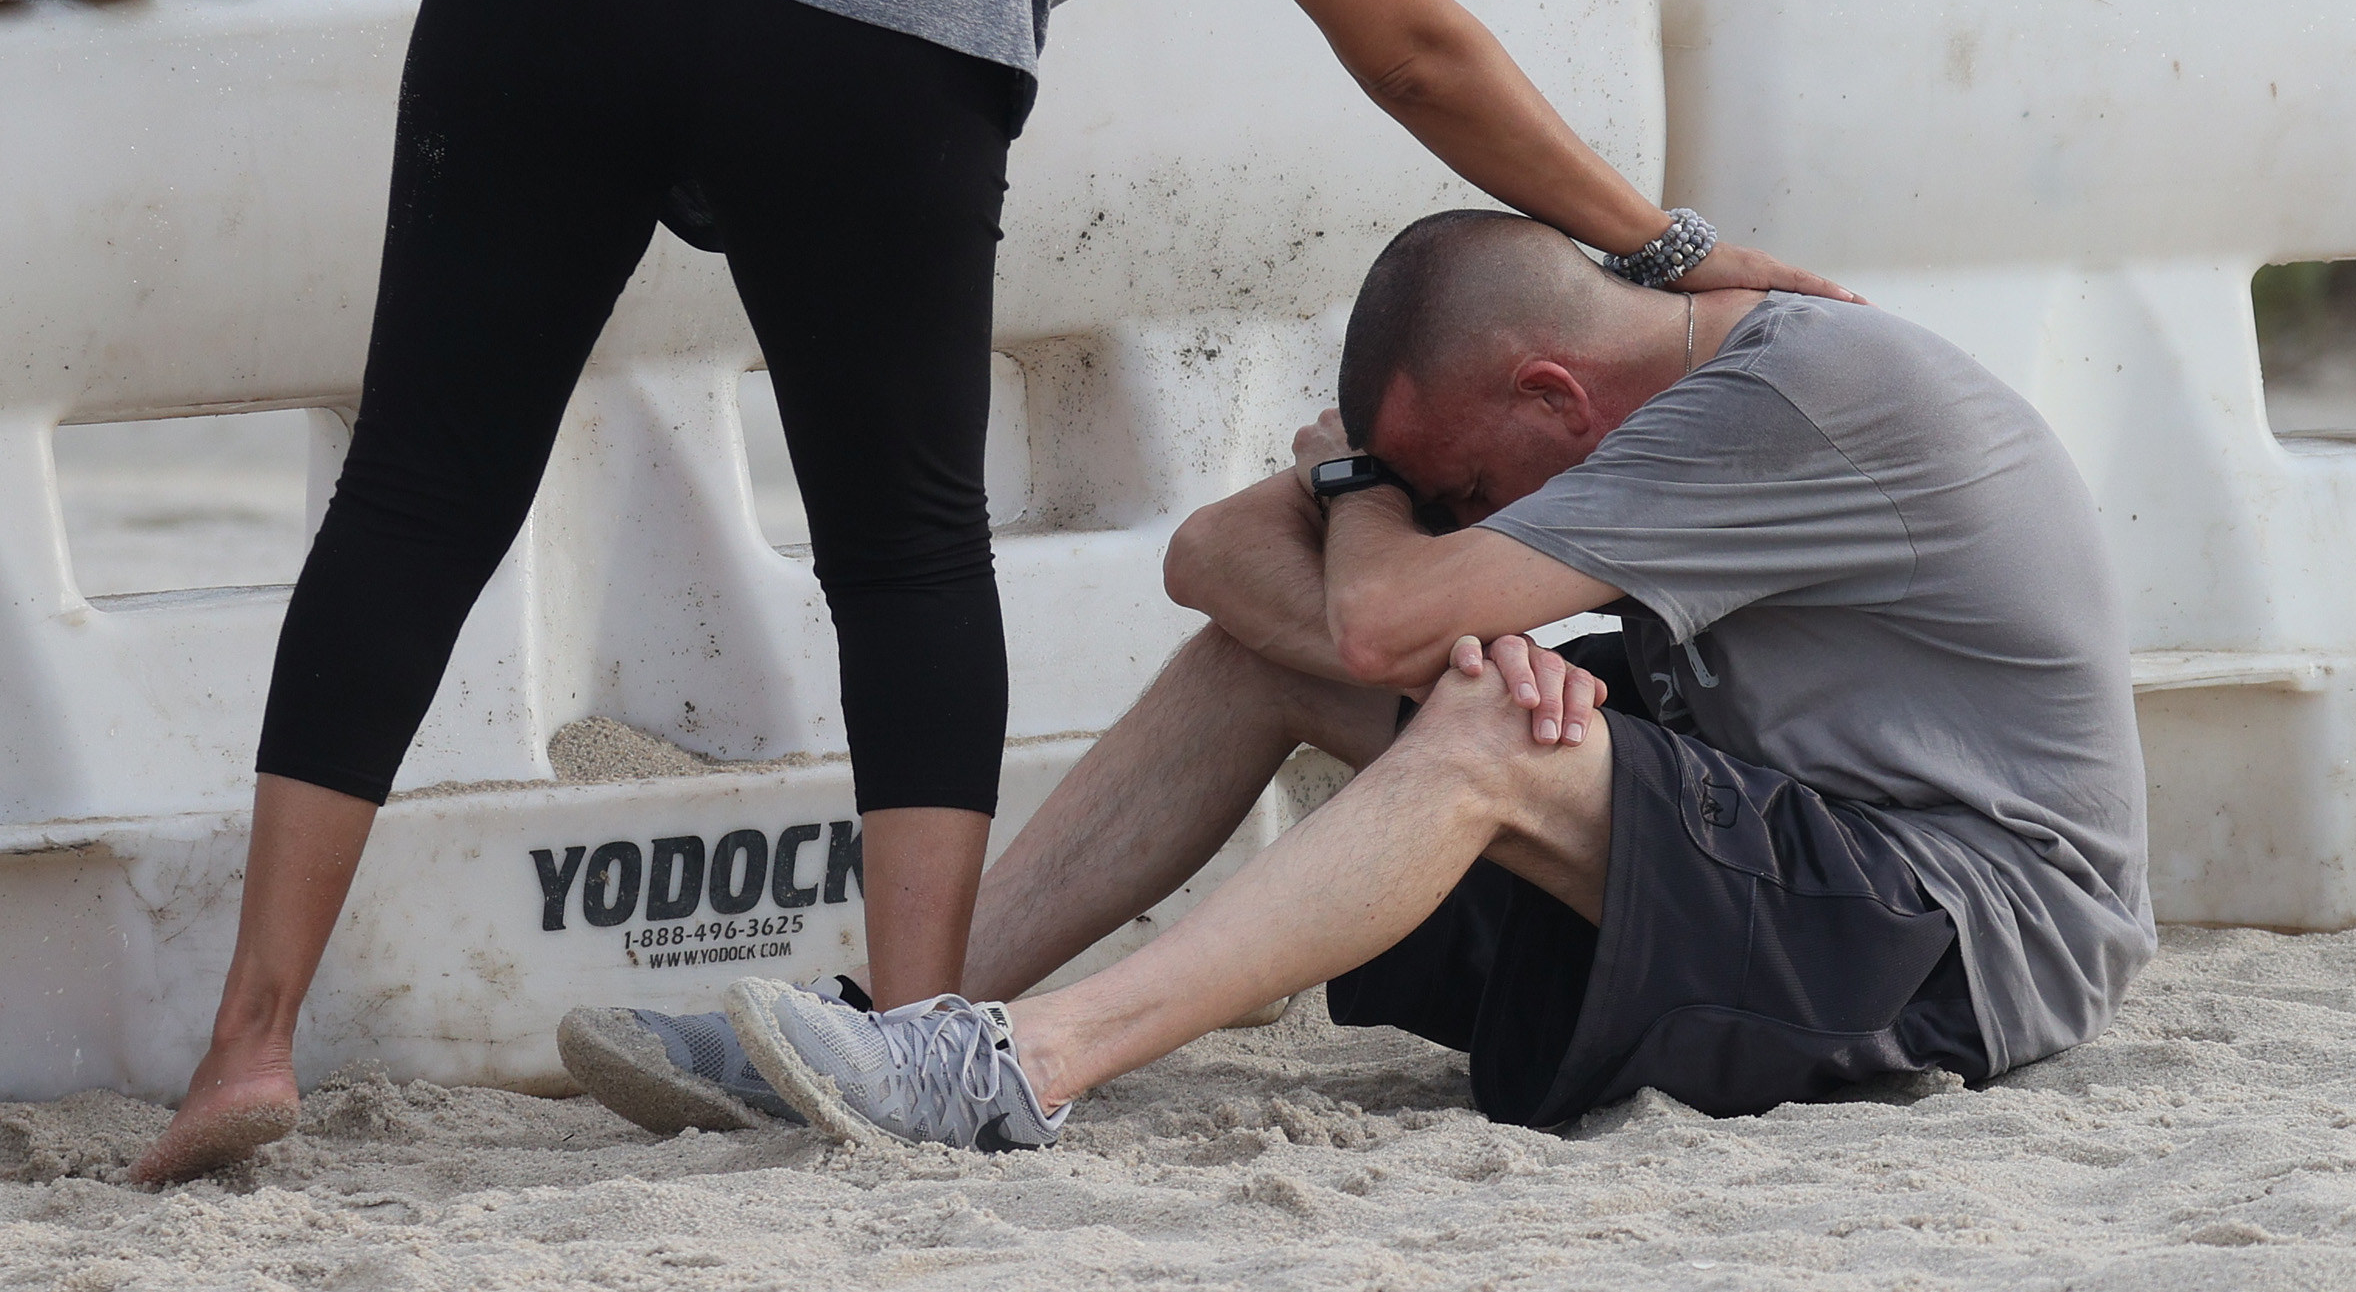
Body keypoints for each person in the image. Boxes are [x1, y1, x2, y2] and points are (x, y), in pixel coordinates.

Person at [132, 0, 1846, 1184]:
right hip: (876, 5)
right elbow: (1407, 42)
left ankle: (247, 1042)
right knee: (906, 542)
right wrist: (1670, 245)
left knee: (426, 486)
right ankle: (917, 1047)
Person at [575, 208, 2152, 1147]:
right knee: (1268, 657)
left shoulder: (1796, 396)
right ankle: (897, 1026)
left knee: (1474, 721)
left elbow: (1386, 622)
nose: (1460, 513)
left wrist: (1359, 499)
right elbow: (1208, 558)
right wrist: (1400, 543)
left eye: (1460, 484)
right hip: (1808, 839)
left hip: (1965, 930)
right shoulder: (1665, 382)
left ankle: (1020, 1069)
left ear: (1553, 391)